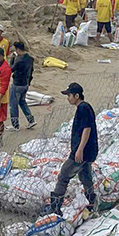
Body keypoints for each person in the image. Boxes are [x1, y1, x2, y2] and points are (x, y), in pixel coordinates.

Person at [47, 83, 98, 215]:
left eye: (69, 95)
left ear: (77, 96)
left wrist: (79, 149)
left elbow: (87, 129)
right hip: (89, 152)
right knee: (85, 176)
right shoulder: (84, 107)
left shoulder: (83, 108)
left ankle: (55, 207)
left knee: (64, 175)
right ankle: (92, 202)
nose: (68, 98)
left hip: (82, 152)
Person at [8, 41, 36, 131]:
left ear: (17, 49)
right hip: (26, 84)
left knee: (13, 104)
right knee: (22, 102)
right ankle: (31, 120)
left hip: (17, 84)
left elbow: (11, 69)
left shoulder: (19, 60)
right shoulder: (30, 59)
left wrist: (12, 60)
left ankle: (15, 125)